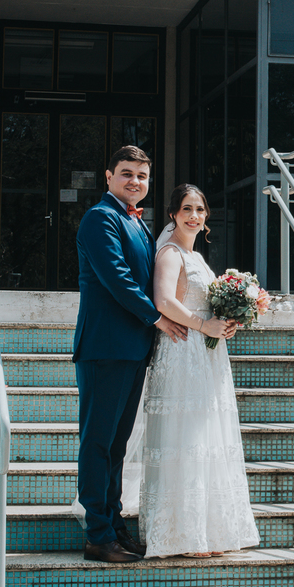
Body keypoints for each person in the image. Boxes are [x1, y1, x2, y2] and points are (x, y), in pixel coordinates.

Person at [72, 145, 187, 564]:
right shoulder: (100, 218)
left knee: (116, 445)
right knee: (98, 442)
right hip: (105, 347)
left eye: (141, 175)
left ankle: (115, 526)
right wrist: (157, 319)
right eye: (126, 174)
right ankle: (97, 536)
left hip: (133, 348)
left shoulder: (138, 223)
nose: (134, 181)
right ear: (108, 176)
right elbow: (118, 280)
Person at [138, 183, 260, 558]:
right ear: (173, 213)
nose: (194, 216)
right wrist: (203, 325)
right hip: (182, 352)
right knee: (186, 435)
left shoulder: (198, 256)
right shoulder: (171, 253)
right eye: (187, 209)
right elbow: (163, 301)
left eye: (201, 210)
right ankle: (182, 533)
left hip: (206, 354)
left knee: (206, 436)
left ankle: (206, 530)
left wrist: (230, 317)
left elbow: (207, 304)